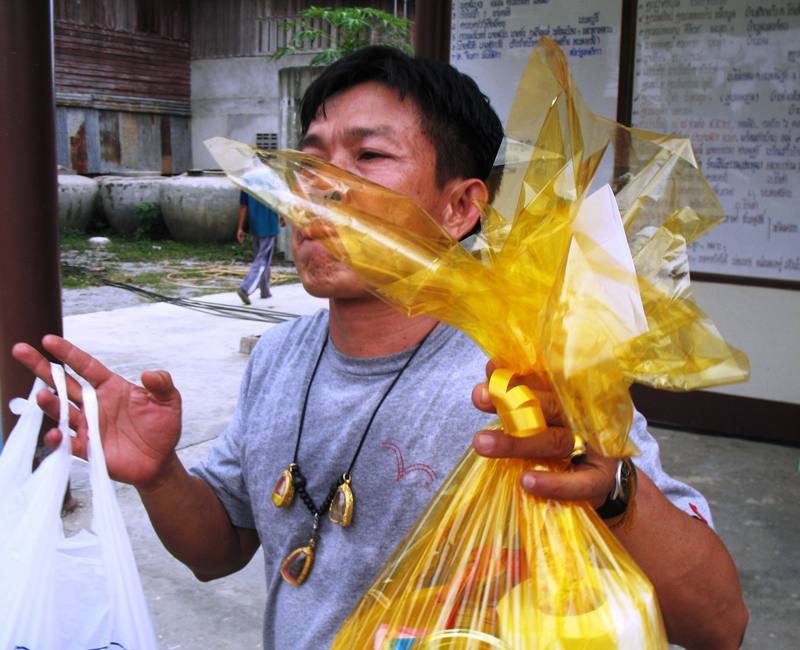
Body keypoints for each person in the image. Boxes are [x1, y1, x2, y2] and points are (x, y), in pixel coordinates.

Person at [12, 46, 747, 649]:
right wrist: (159, 473)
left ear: (461, 207)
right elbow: (219, 551)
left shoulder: (528, 377)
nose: (321, 188)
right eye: (311, 158)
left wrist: (614, 488)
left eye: (368, 156)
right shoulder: (279, 359)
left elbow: (717, 625)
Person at [236, 190, 281, 304]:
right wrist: (283, 216)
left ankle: (265, 291)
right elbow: (279, 201)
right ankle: (245, 288)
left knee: (261, 257)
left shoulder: (246, 181)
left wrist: (240, 228)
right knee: (263, 261)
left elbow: (243, 206)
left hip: (255, 226)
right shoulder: (272, 179)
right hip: (269, 225)